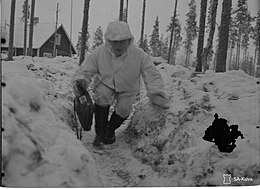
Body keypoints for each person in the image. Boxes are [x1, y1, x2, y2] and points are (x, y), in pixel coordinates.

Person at [72, 21, 168, 148]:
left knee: (124, 108)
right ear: (108, 41)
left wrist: (156, 93)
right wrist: (81, 80)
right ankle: (100, 134)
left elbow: (151, 73)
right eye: (114, 41)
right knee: (102, 95)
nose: (118, 45)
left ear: (129, 40)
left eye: (122, 41)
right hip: (105, 83)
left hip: (128, 87)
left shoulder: (139, 55)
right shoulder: (99, 53)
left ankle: (110, 129)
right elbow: (85, 70)